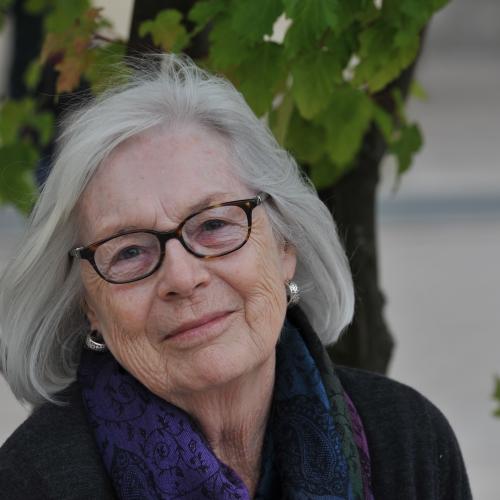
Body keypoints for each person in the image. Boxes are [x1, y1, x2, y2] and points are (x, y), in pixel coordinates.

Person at [0, 55, 471, 499]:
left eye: (214, 226)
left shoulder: (409, 441)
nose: (182, 278)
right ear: (90, 306)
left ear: (286, 246)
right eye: (128, 252)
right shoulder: (31, 482)